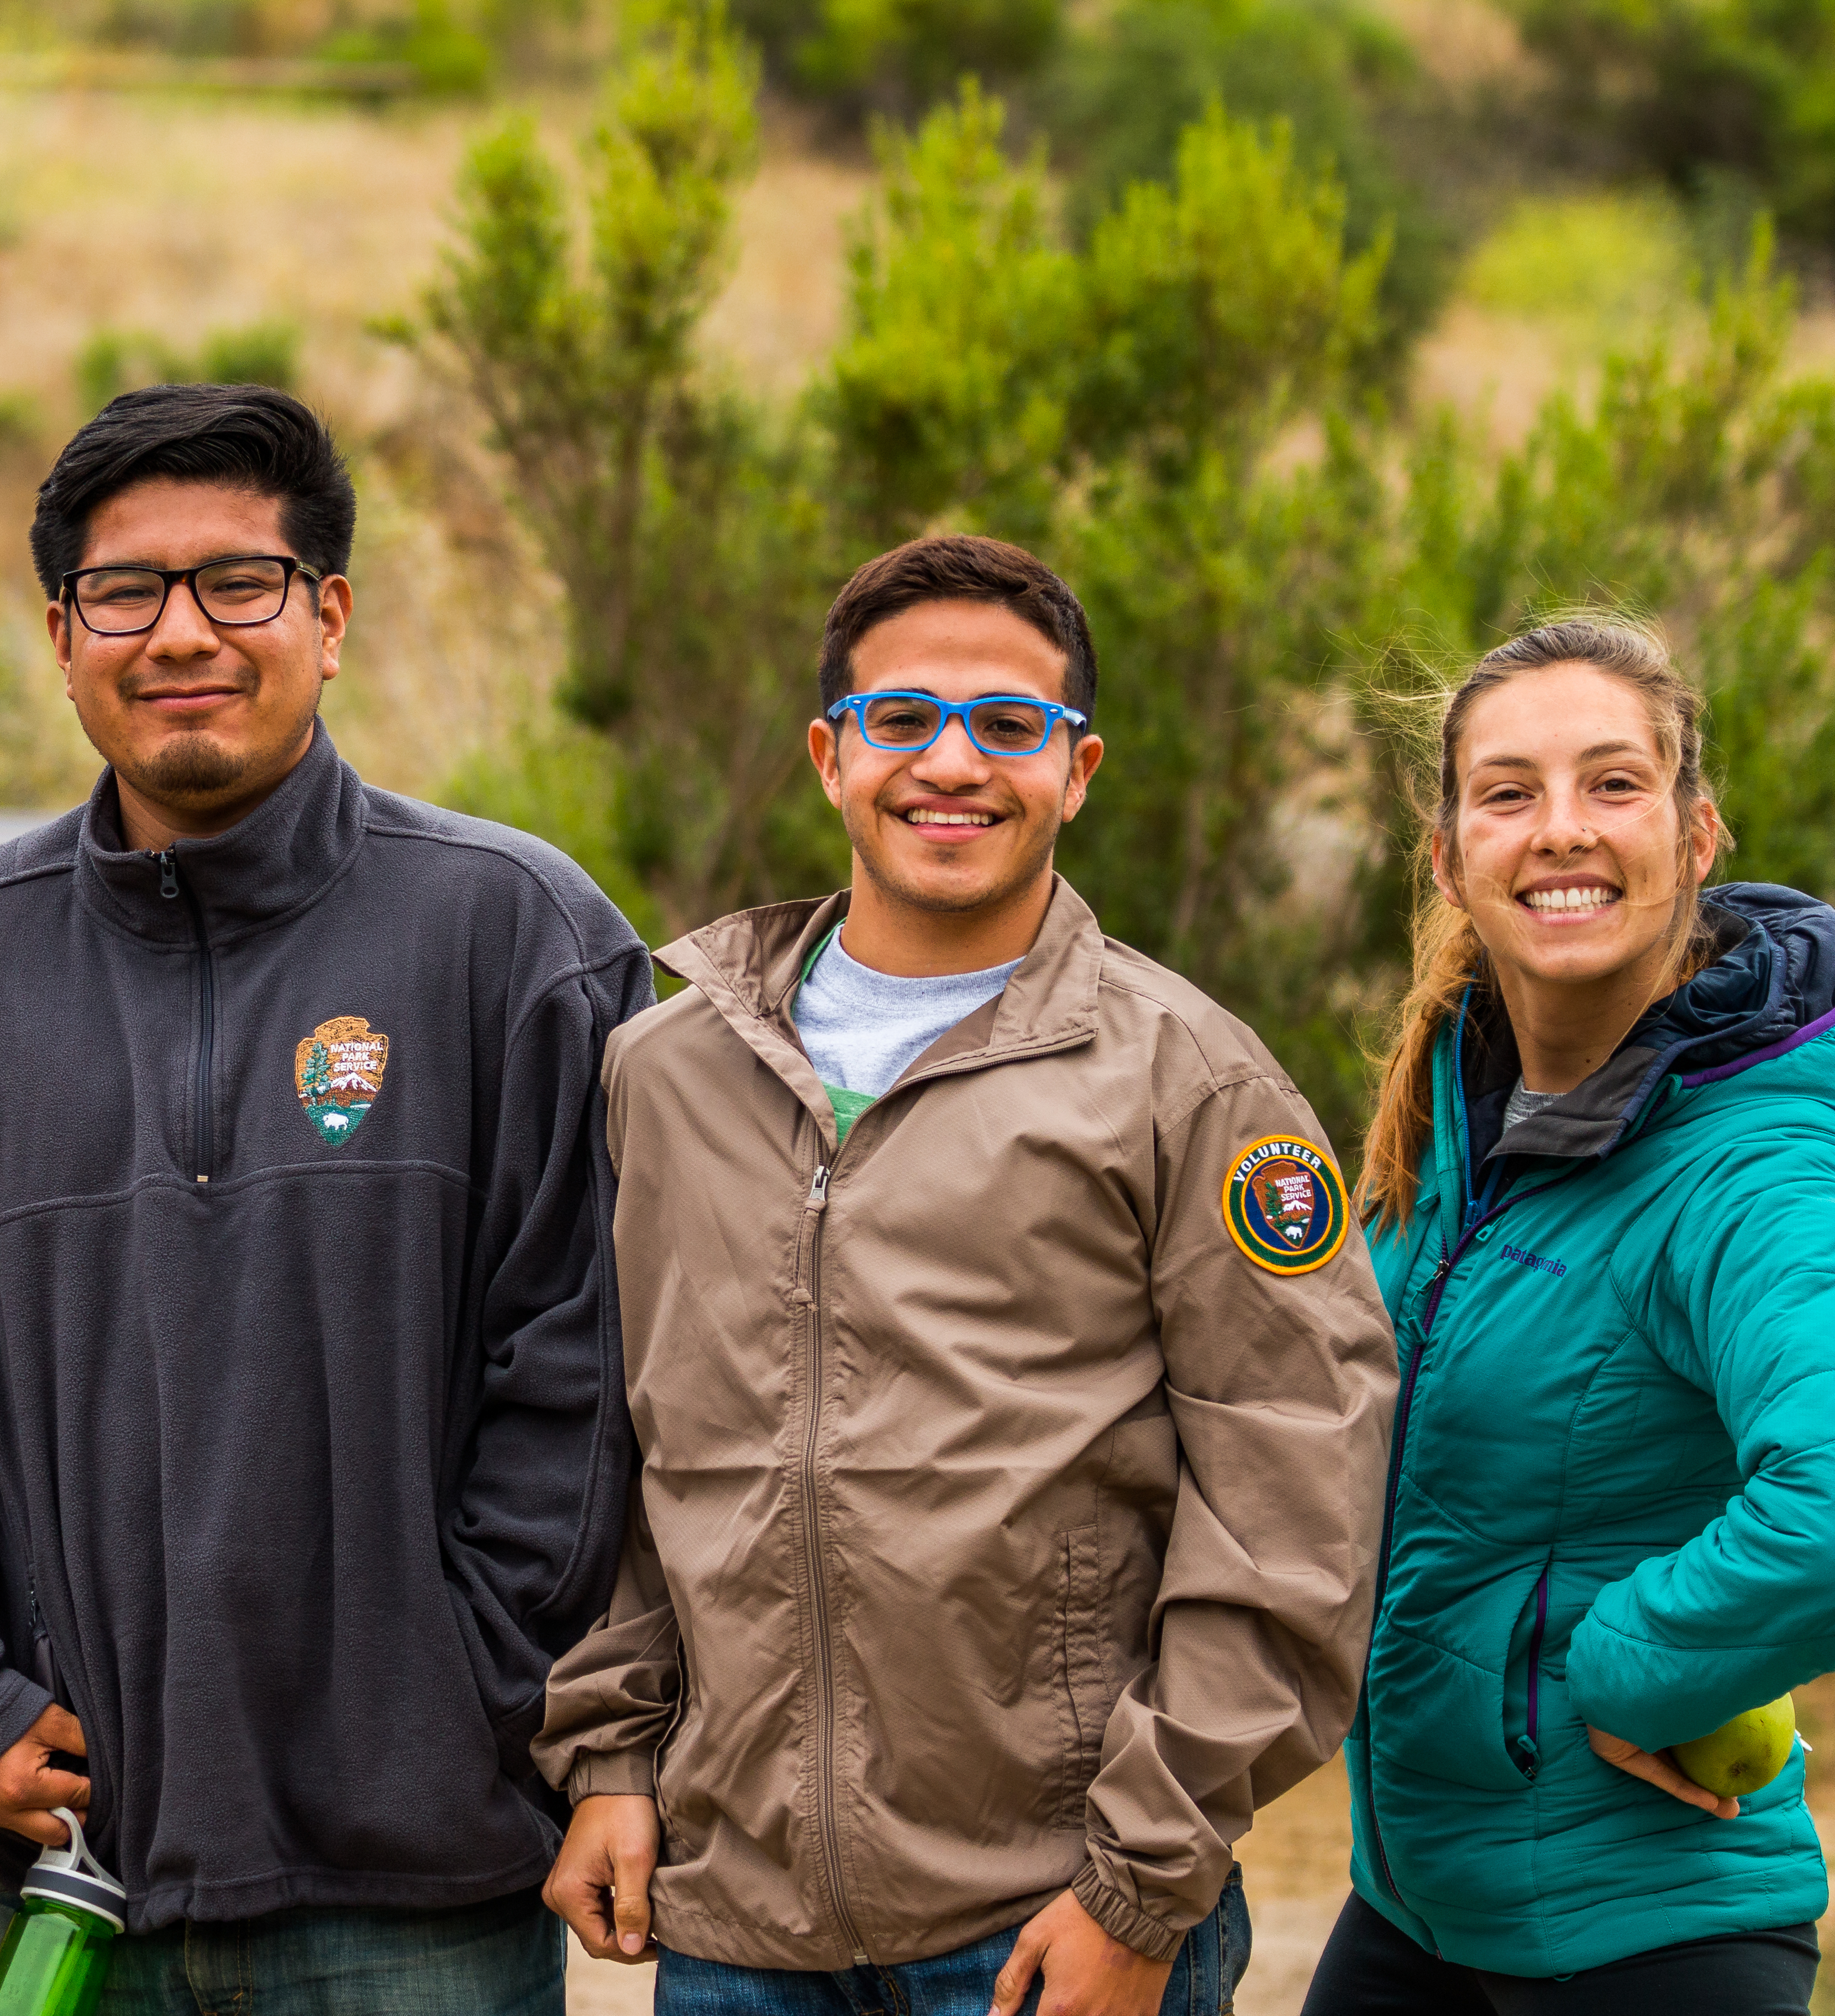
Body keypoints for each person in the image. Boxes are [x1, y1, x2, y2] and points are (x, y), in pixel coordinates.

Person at [0, 382, 653, 2016]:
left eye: (238, 583)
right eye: (129, 591)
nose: (183, 631)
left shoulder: (520, 942)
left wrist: (460, 1698)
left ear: (330, 617)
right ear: (61, 633)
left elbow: (590, 1379)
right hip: (72, 1886)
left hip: (419, 1902)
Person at [535, 533, 1398, 2016]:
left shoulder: (1187, 1077)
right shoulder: (665, 1072)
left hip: (1047, 1920)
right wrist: (611, 1753)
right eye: (903, 720)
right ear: (828, 754)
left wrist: (1140, 1884)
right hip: (737, 1930)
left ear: (1081, 768)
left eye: (1010, 726)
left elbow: (1293, 1495)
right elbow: (624, 1448)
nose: (953, 763)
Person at [1298, 617, 1835, 2014]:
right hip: (1418, 1906)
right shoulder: (1461, 1116)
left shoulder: (1751, 1169)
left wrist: (1615, 1676)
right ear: (1449, 854)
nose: (1562, 832)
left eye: (1612, 784)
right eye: (1509, 792)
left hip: (1650, 1939)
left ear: (1696, 834)